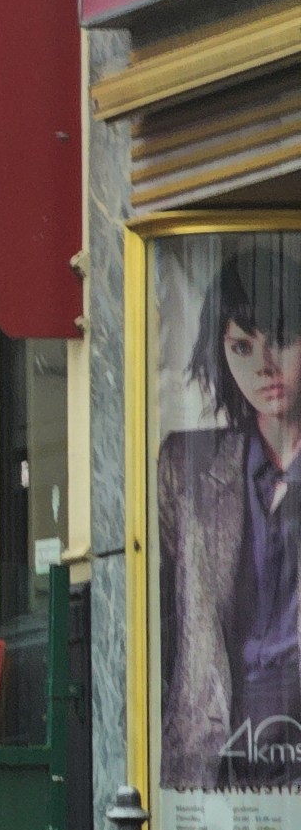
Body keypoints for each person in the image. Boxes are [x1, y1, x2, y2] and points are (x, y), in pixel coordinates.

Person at [160, 241, 301, 789]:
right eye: (242, 347)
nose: (264, 366)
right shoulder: (185, 467)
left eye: (283, 340)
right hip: (213, 757)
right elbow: (170, 624)